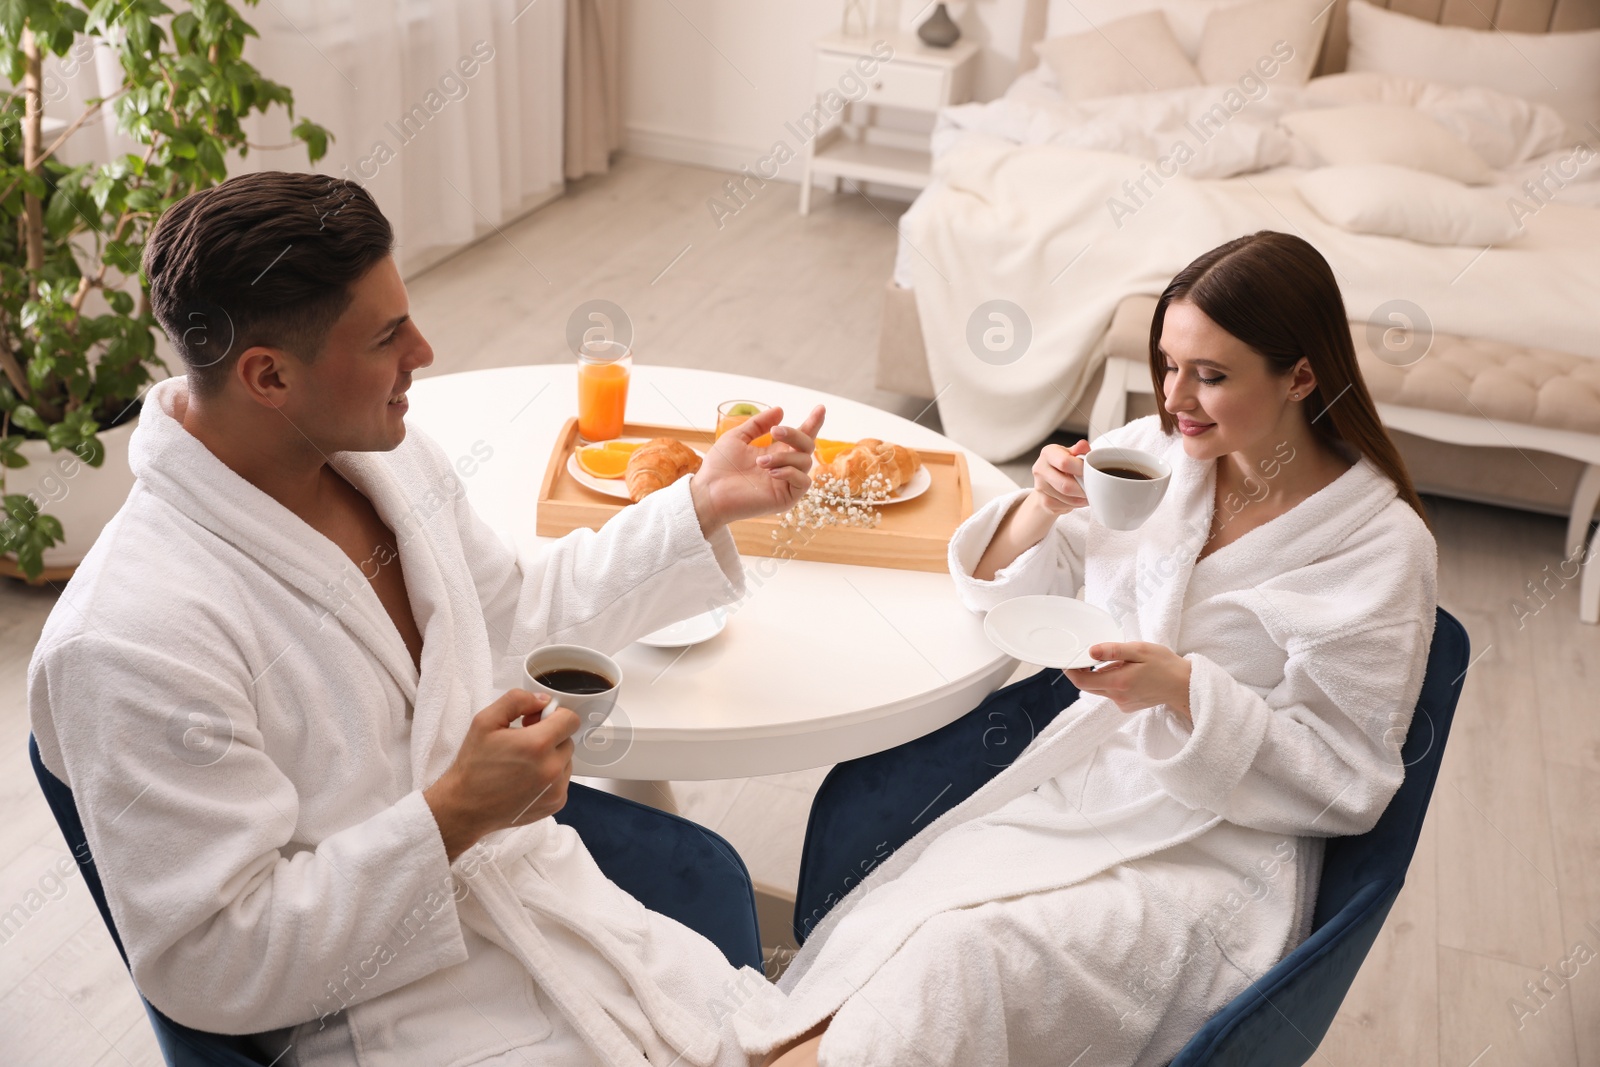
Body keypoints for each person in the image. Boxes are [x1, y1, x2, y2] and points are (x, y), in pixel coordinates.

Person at [28, 171, 818, 1066]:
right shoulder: (129, 635)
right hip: (386, 1014)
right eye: (387, 334)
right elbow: (210, 960)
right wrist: (445, 817)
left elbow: (513, 617)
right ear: (269, 374)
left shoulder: (388, 461)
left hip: (545, 910)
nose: (426, 351)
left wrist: (700, 504)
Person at [746, 231, 1438, 1067]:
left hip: (1212, 849)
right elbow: (1005, 589)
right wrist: (1041, 507)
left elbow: (1347, 781)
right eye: (1168, 363)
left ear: (1300, 374)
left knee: (960, 960)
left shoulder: (1377, 547)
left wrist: (1185, 691)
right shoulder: (1153, 457)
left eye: (1210, 376)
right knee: (896, 942)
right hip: (1077, 789)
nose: (1175, 398)